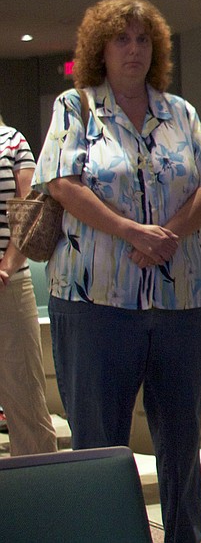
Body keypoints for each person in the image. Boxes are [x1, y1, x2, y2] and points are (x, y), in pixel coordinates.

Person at [33, 0, 201, 543]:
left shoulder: (180, 112)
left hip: (183, 300)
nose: (134, 49)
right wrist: (131, 232)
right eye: (122, 39)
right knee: (100, 445)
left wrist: (169, 236)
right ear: (101, 48)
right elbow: (61, 183)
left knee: (181, 443)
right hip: (96, 302)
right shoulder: (76, 107)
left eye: (143, 39)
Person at [0, 116, 58, 456]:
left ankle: (40, 485)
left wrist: (7, 265)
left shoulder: (12, 142)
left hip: (8, 285)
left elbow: (32, 208)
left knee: (26, 403)